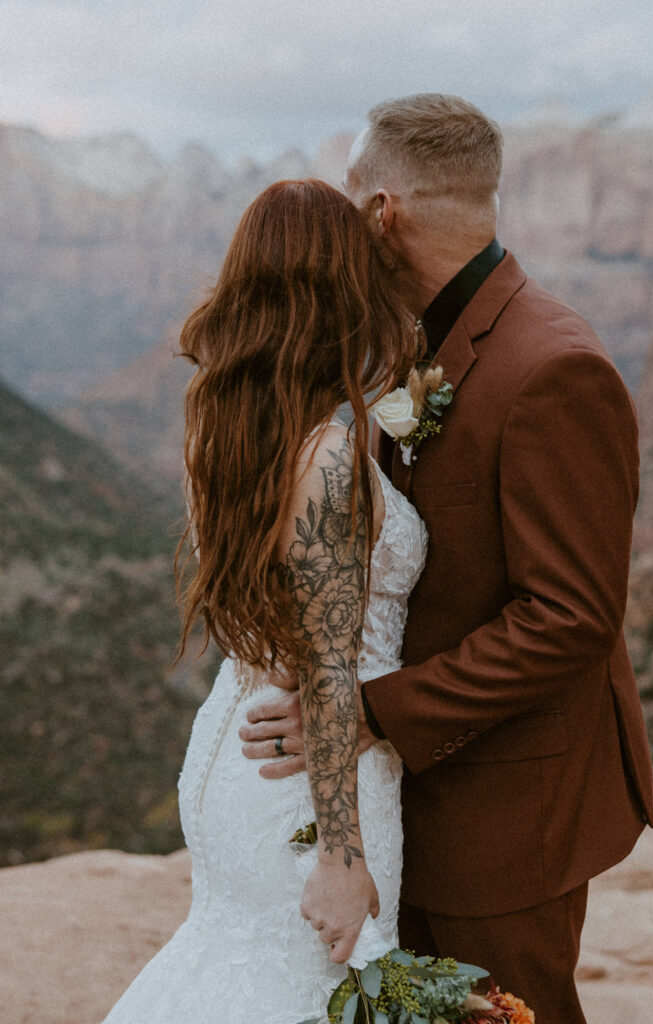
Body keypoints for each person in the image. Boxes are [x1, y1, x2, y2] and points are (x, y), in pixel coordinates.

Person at [240, 94, 653, 1024]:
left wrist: (365, 714)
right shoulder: (414, 344)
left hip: (508, 819)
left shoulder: (552, 369)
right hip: (412, 802)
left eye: (350, 206)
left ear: (382, 214)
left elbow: (572, 618)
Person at [100, 179, 427, 1024]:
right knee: (310, 989)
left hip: (231, 748)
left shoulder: (224, 425)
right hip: (308, 781)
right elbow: (328, 670)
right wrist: (340, 858)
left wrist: (393, 408)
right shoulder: (326, 458)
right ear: (341, 291)